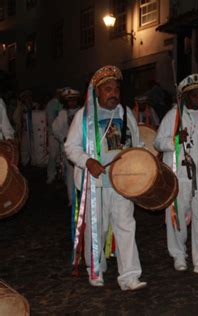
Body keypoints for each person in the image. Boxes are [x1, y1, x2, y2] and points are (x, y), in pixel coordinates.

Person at [64, 65, 146, 290]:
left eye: (116, 89)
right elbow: (70, 147)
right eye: (108, 89)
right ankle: (95, 269)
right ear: (96, 91)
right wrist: (87, 161)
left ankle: (129, 276)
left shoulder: (125, 113)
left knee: (126, 226)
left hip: (122, 183)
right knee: (97, 227)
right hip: (95, 183)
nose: (114, 93)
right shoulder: (84, 116)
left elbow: (137, 145)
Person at [155, 73, 198, 275]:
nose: (197, 97)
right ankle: (179, 254)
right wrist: (175, 140)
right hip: (180, 176)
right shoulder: (173, 116)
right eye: (192, 94)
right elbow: (157, 142)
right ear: (184, 96)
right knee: (178, 218)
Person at [52, 88, 81, 207]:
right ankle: (72, 199)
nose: (72, 103)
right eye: (69, 101)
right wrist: (63, 138)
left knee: (80, 173)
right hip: (68, 149)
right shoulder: (62, 113)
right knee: (70, 175)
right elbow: (55, 129)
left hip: (81, 148)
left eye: (74, 100)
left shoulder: (82, 111)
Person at [46, 88, 66, 183]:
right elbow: (51, 121)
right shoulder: (51, 104)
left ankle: (62, 175)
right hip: (53, 134)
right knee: (53, 155)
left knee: (63, 155)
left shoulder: (64, 104)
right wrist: (57, 132)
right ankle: (51, 175)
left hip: (63, 134)